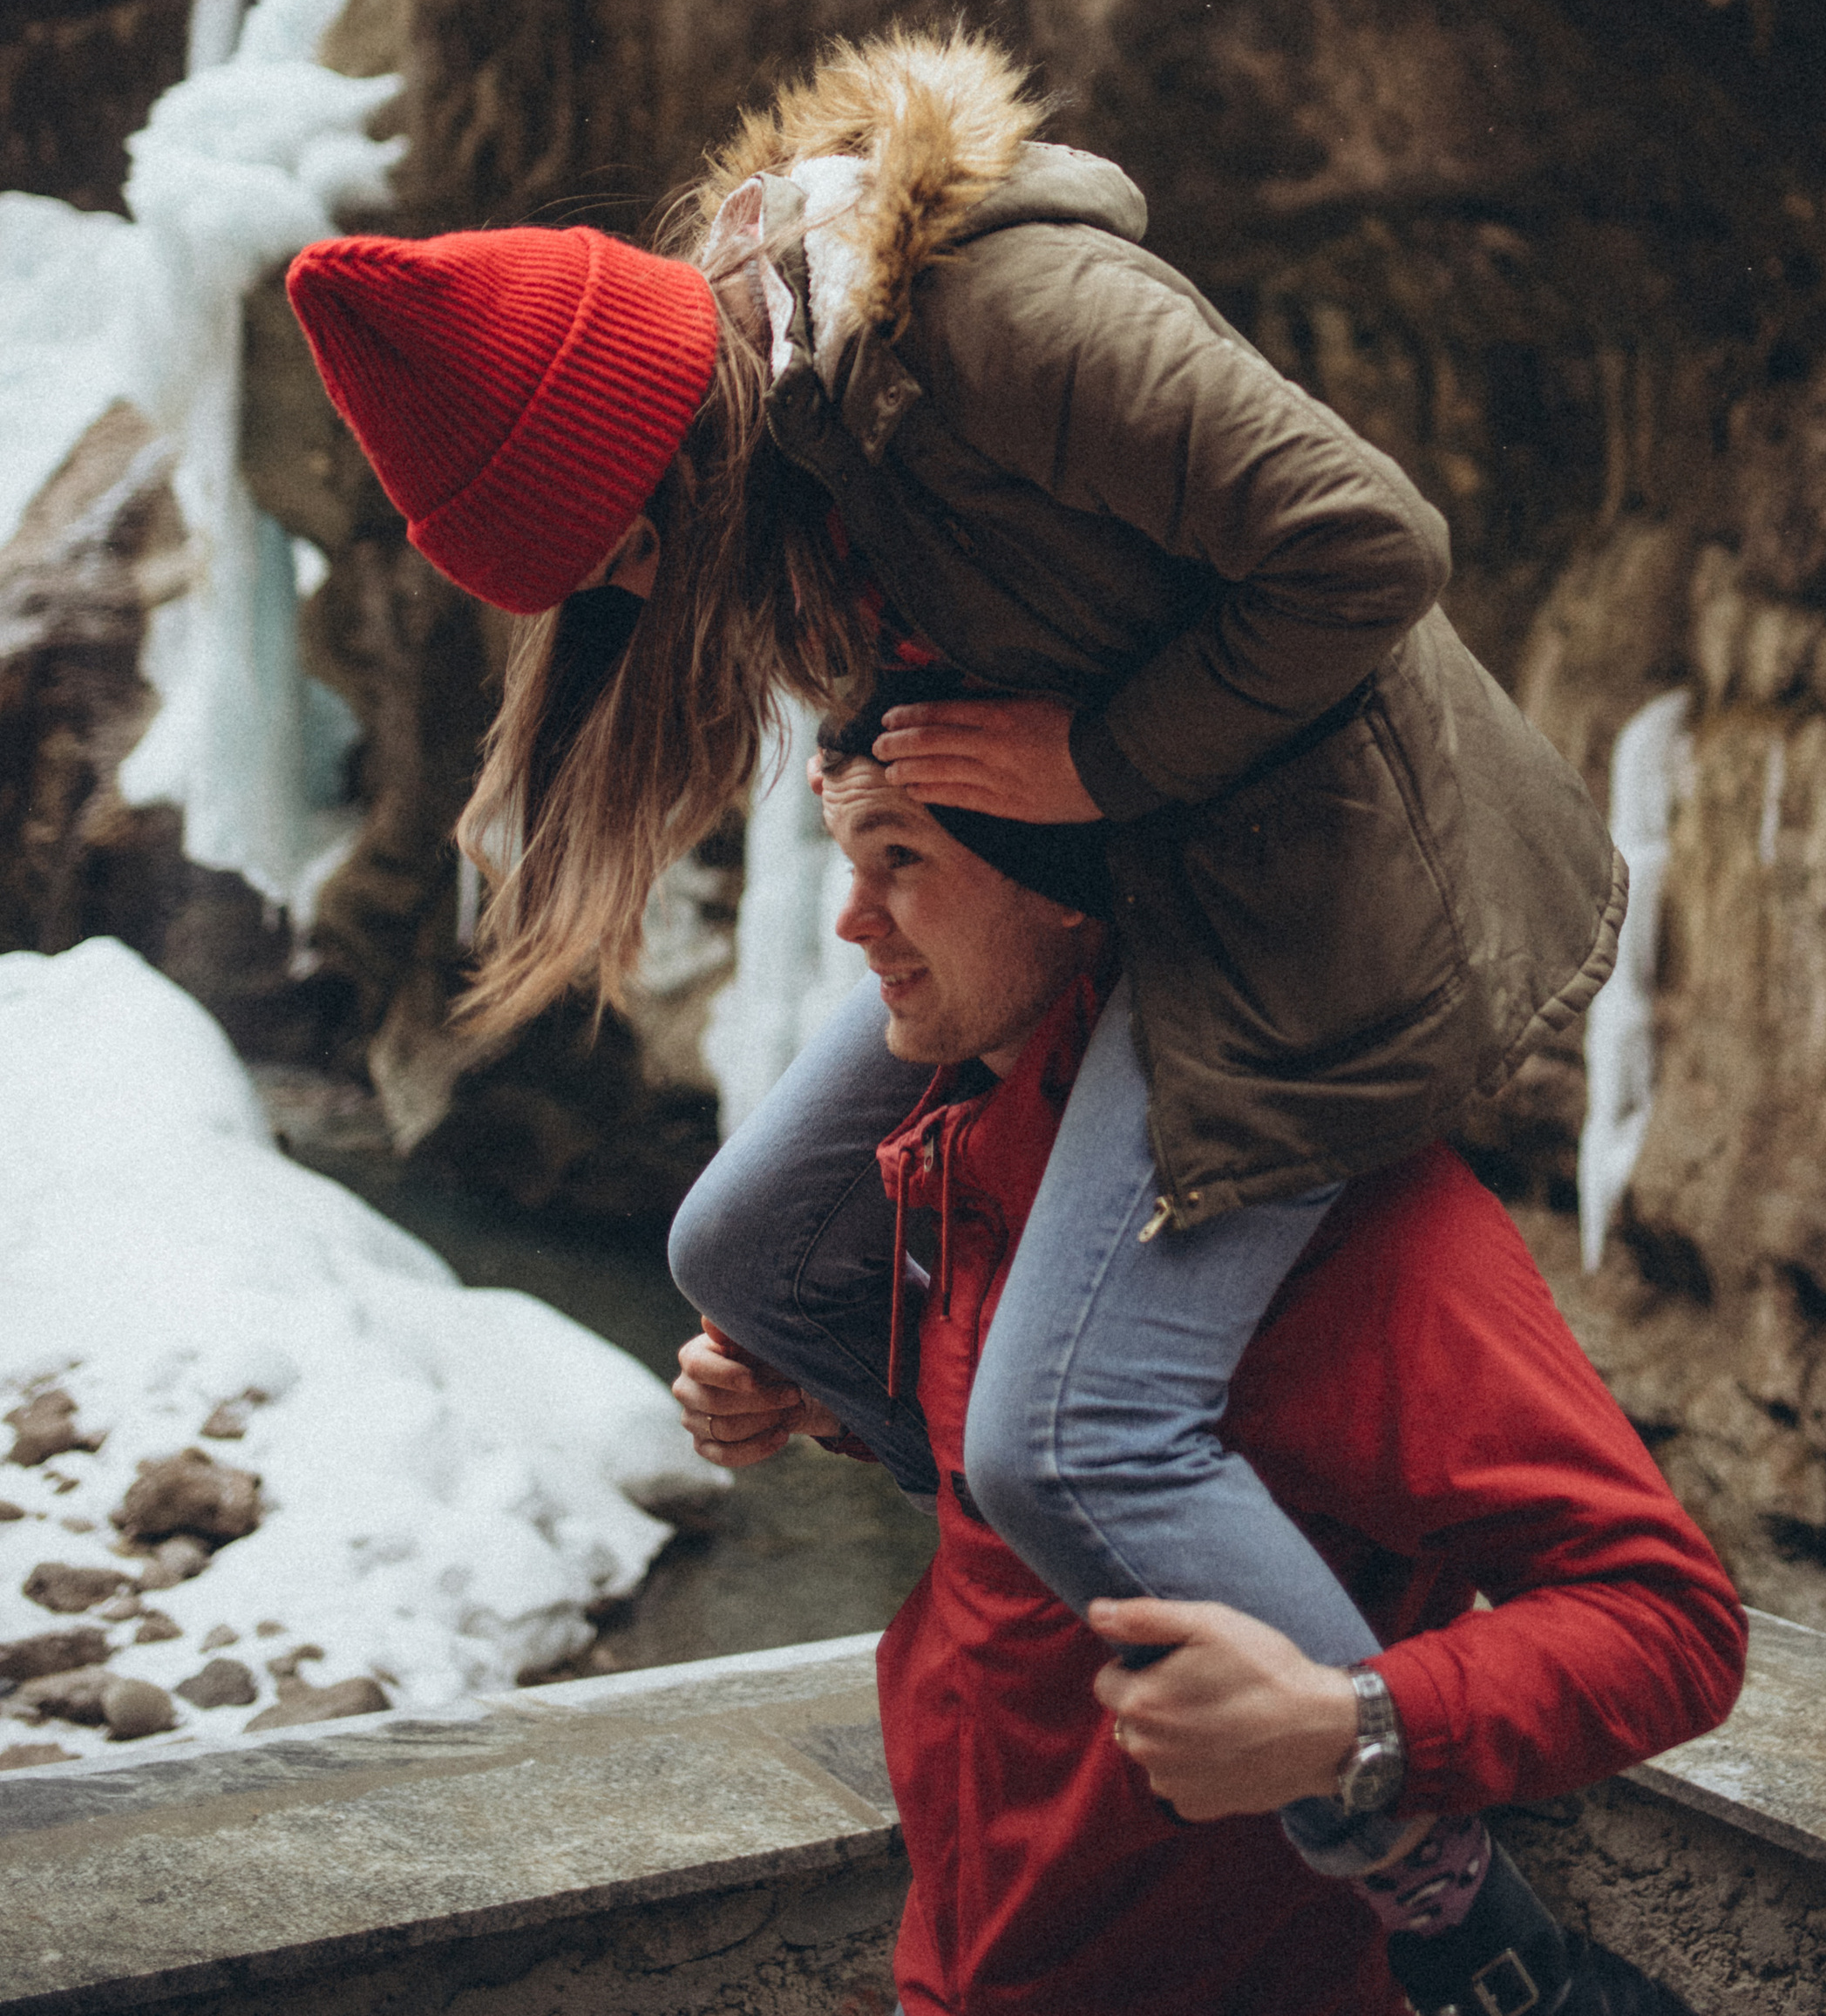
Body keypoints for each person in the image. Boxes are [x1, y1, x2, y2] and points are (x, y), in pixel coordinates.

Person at [286, 24, 1626, 2009]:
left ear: (671, 433)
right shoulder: (785, 444)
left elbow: (1372, 547)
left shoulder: (1008, 323)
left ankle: (1459, 1917)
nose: (646, 595)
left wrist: (1090, 758)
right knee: (738, 1245)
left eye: (632, 545)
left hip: (1312, 907)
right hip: (1124, 887)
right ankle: (1086, 1541)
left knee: (1071, 1421)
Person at [673, 747, 1746, 2016]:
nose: (852, 923)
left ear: (1067, 882)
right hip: (966, 1973)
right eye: (846, 860)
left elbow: (1671, 1622)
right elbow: (1007, 1529)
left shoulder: (1374, 1238)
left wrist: (1351, 1725)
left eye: (902, 860)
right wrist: (831, 1405)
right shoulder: (970, 1149)